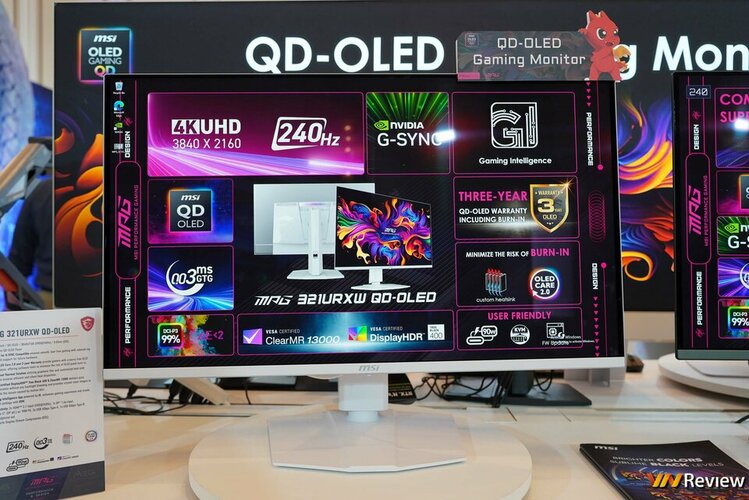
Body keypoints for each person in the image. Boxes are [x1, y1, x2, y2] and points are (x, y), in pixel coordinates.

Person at [7, 177, 53, 309]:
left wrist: (12, 307)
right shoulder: (104, 188)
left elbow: (19, 258)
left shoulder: (43, 191)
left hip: (50, 300)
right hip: (99, 296)